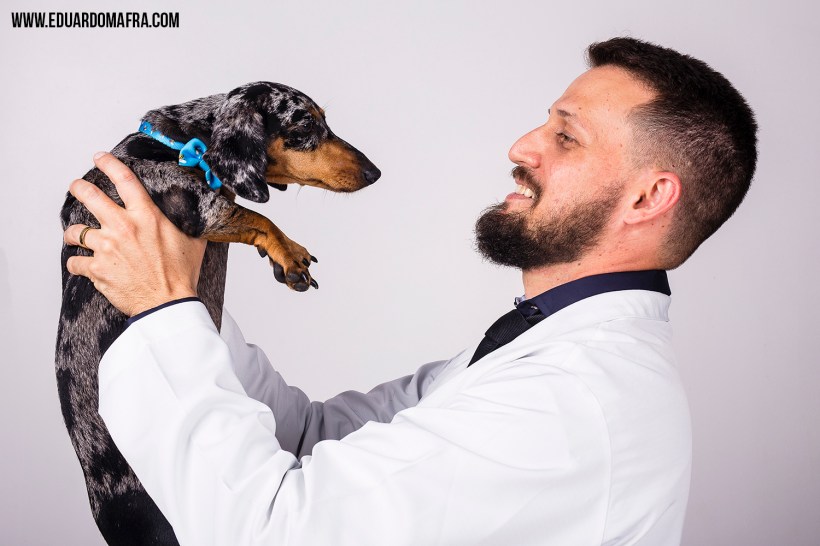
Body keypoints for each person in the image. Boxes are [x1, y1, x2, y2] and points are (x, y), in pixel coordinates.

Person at [63, 37, 757, 545]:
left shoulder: (574, 407)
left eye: (564, 137)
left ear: (646, 197)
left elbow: (267, 532)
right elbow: (309, 436)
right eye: (543, 121)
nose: (521, 145)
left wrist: (163, 309)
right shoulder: (540, 351)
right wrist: (179, 290)